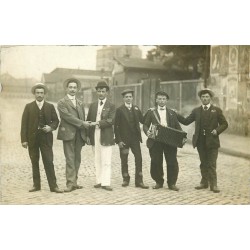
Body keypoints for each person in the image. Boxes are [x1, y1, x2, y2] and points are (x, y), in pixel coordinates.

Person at [176, 88, 228, 193]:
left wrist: (217, 131)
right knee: (203, 163)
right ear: (200, 98)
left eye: (207, 97)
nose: (205, 99)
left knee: (212, 163)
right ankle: (204, 182)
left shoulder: (216, 110)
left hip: (212, 141)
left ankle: (214, 185)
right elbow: (186, 121)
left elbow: (224, 124)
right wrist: (176, 114)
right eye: (203, 97)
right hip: (200, 141)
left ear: (210, 98)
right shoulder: (196, 111)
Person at [21, 83, 63, 193]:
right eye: (37, 93)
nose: (39, 95)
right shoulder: (28, 106)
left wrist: (51, 127)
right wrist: (24, 140)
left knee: (49, 161)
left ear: (44, 94)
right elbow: (24, 124)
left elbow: (56, 121)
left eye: (41, 93)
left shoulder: (50, 106)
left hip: (46, 139)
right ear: (34, 94)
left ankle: (53, 186)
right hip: (33, 139)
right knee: (34, 161)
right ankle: (36, 185)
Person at [143, 91, 182, 191]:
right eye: (159, 99)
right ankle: (158, 182)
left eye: (163, 99)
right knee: (156, 161)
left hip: (170, 140)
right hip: (156, 140)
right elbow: (145, 125)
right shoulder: (151, 112)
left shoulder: (172, 113)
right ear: (156, 100)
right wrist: (147, 132)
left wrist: (182, 137)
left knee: (172, 161)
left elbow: (178, 126)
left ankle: (172, 183)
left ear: (167, 100)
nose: (161, 101)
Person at [57, 78, 90, 192]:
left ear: (77, 89)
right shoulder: (62, 102)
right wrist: (82, 124)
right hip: (68, 134)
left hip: (79, 135)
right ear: (66, 88)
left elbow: (83, 118)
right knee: (70, 159)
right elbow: (67, 117)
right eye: (70, 87)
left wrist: (85, 134)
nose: (72, 89)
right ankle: (70, 183)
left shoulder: (80, 102)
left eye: (74, 87)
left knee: (77, 159)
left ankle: (75, 182)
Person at [114, 89, 149, 189]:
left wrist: (150, 112)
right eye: (126, 97)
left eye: (130, 97)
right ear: (123, 98)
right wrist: (119, 140)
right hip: (124, 140)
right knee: (124, 159)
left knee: (139, 159)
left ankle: (139, 181)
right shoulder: (119, 110)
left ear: (132, 98)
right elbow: (116, 127)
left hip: (135, 139)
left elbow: (143, 120)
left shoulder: (136, 108)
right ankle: (126, 178)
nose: (128, 98)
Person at [87, 81, 115, 191]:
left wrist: (98, 123)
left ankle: (106, 182)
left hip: (106, 135)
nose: (101, 93)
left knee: (106, 159)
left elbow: (111, 120)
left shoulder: (111, 106)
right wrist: (88, 136)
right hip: (95, 134)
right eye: (99, 91)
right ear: (96, 92)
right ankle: (99, 181)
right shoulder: (93, 105)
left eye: (103, 91)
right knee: (97, 159)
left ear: (107, 92)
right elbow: (88, 120)